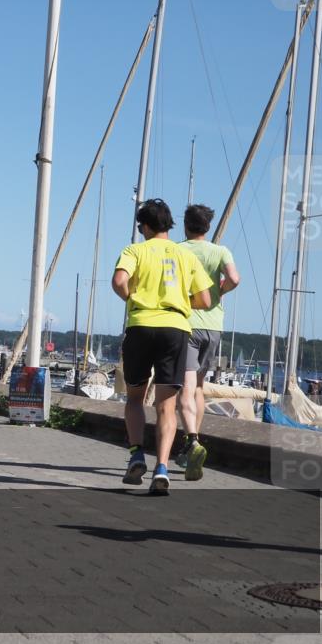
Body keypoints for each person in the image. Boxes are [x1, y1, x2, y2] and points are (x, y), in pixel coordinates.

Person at [112, 199, 212, 495]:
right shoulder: (186, 256)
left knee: (134, 398)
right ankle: (163, 468)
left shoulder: (134, 250)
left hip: (141, 325)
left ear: (144, 226)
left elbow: (119, 281)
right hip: (175, 329)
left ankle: (136, 455)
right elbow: (205, 300)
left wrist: (133, 298)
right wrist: (181, 302)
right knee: (166, 406)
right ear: (168, 224)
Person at [175, 204, 240, 480]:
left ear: (186, 225)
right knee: (199, 386)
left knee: (185, 389)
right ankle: (195, 439)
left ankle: (192, 442)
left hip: (187, 323)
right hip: (214, 327)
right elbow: (234, 279)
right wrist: (218, 293)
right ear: (208, 227)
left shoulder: (178, 250)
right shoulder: (220, 251)